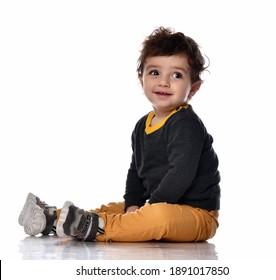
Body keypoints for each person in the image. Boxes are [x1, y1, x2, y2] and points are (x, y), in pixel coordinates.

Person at [19, 27, 221, 242]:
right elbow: (136, 171)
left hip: (196, 215)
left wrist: (149, 207)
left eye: (176, 75)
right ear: (141, 78)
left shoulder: (186, 124)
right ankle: (54, 218)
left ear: (194, 88)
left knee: (158, 217)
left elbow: (181, 174)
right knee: (117, 208)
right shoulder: (142, 126)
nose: (164, 82)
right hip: (154, 204)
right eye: (155, 72)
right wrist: (134, 204)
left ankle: (94, 227)